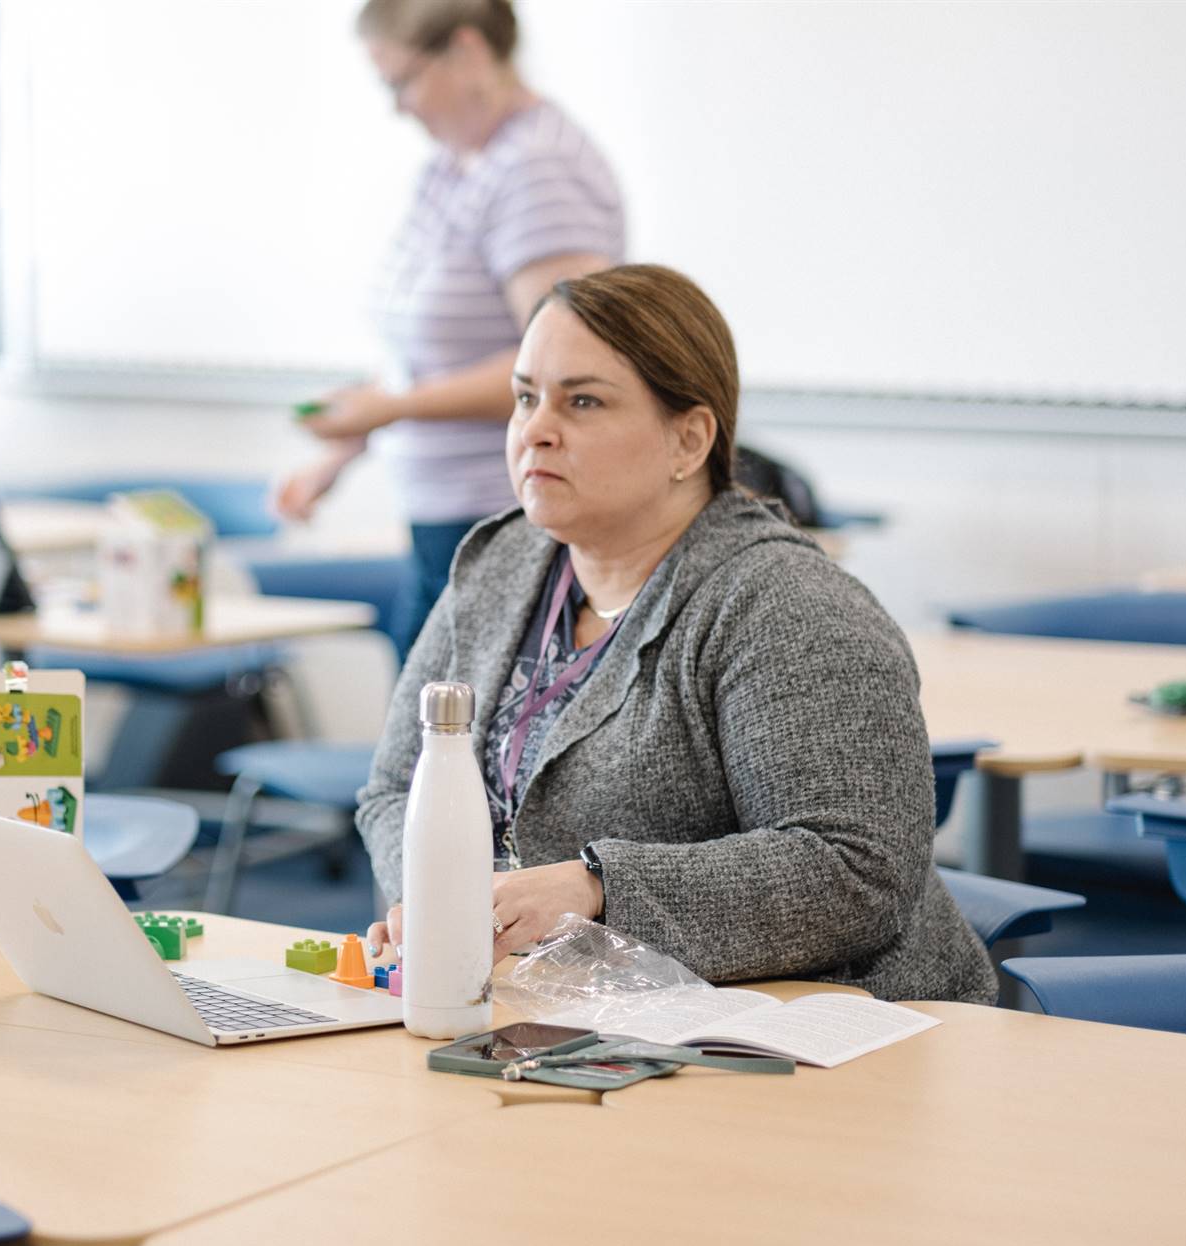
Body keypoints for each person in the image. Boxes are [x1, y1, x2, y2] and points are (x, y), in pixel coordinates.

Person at [359, 265, 996, 1003]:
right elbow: (395, 789)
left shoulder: (785, 604)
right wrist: (441, 908)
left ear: (688, 441)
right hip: (565, 1015)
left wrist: (598, 888)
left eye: (583, 401)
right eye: (526, 397)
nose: (535, 429)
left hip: (815, 1038)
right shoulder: (497, 565)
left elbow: (854, 870)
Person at [275, 0, 623, 653]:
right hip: (448, 519)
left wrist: (390, 409)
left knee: (448, 744)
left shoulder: (535, 169)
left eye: (400, 81)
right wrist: (345, 448)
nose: (397, 106)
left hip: (506, 520)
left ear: (466, 52)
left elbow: (566, 369)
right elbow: (429, 352)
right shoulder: (453, 167)